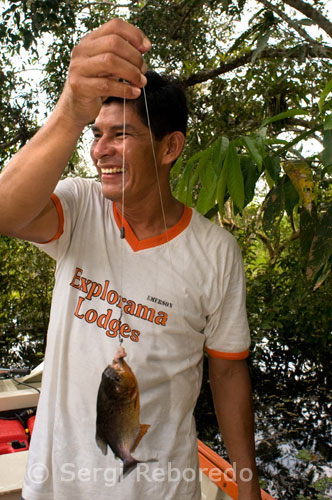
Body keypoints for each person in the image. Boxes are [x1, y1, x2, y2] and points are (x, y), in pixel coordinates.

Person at [0, 19, 262, 500]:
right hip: (59, 486)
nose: (101, 150)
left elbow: (227, 374)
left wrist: (246, 485)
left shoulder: (216, 253)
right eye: (95, 134)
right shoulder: (80, 208)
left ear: (170, 147)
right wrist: (70, 110)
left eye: (120, 135)